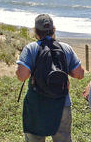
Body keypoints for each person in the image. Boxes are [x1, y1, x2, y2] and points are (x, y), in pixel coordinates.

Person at [16, 14, 84, 142]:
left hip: (36, 103)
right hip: (61, 104)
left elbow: (22, 76)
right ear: (54, 29)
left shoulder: (31, 48)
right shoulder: (65, 48)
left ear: (35, 31)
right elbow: (79, 74)